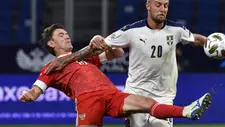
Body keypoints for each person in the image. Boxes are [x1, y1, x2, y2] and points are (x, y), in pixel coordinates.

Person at [88, 0, 225, 127]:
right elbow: (102, 44)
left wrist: (217, 43)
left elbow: (195, 39)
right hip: (136, 94)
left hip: (164, 97)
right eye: (158, 5)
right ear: (148, 6)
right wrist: (94, 40)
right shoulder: (132, 31)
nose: (162, 9)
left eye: (165, 6)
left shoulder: (176, 30)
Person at [20, 24, 212, 127]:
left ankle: (186, 111)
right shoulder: (51, 66)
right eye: (61, 35)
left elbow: (117, 53)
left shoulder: (86, 59)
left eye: (66, 33)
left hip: (111, 94)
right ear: (52, 44)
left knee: (146, 103)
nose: (67, 36)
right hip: (88, 99)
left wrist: (101, 42)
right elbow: (37, 89)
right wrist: (31, 94)